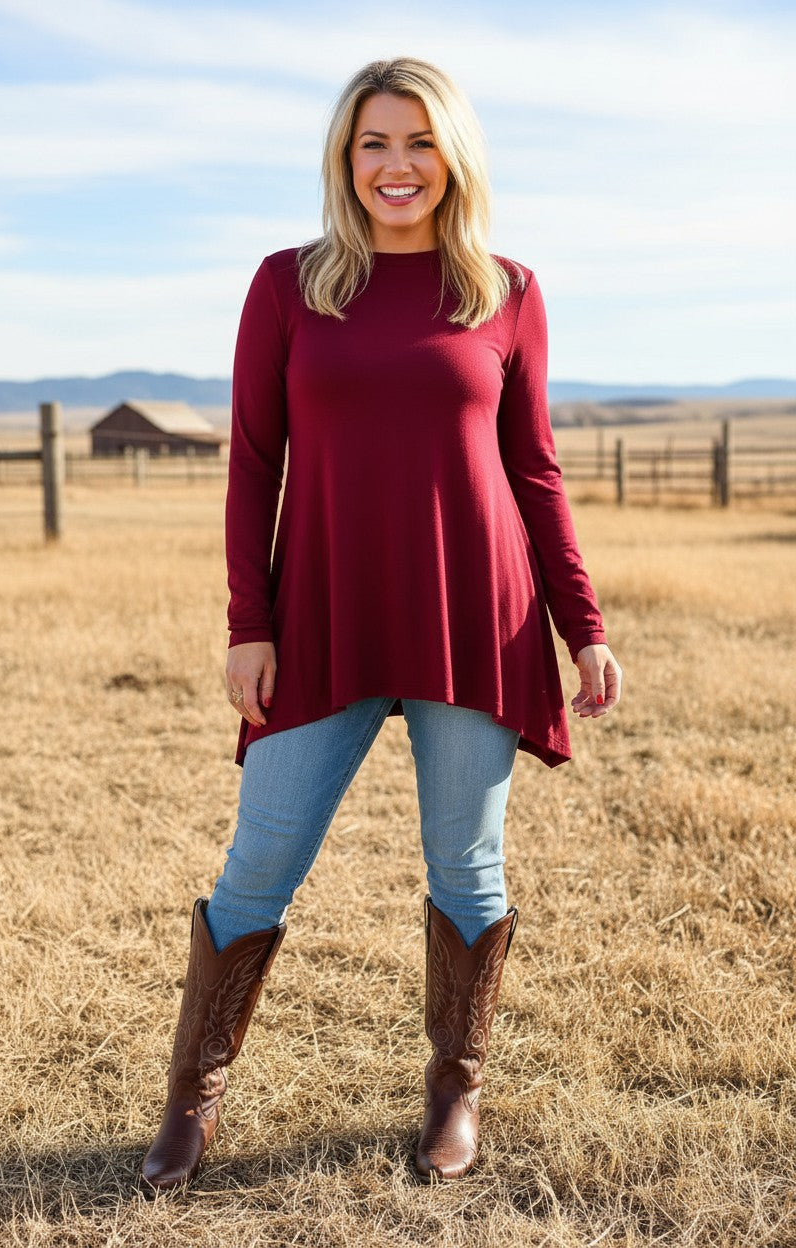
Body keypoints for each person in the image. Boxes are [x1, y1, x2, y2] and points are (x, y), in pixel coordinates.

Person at [139, 55, 623, 1193]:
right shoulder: (288, 285)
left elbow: (534, 469)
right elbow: (253, 463)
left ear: (453, 157)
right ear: (345, 159)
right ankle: (192, 1099)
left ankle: (455, 1093)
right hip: (324, 612)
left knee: (467, 865)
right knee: (260, 860)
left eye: (418, 142)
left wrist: (583, 623)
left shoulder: (505, 290)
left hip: (474, 613)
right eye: (373, 143)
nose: (396, 165)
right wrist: (248, 622)